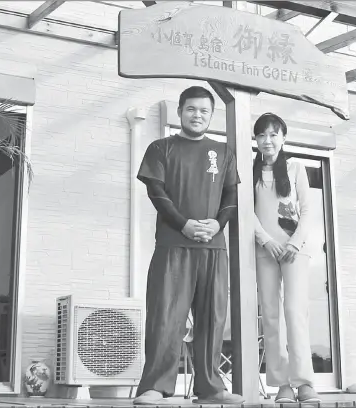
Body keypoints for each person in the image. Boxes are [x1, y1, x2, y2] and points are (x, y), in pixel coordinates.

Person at [133, 86, 244, 405]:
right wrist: (184, 224)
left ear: (212, 115)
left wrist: (217, 225)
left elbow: (230, 196)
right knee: (166, 317)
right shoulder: (160, 148)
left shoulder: (224, 152)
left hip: (213, 247)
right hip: (173, 245)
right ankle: (155, 386)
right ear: (180, 111)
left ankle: (210, 389)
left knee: (212, 319)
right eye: (191, 109)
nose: (198, 115)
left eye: (204, 111)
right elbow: (157, 192)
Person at [252, 113, 321, 403]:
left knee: (295, 312)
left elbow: (307, 210)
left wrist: (294, 243)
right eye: (261, 135)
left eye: (273, 135)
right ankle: (281, 385)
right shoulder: (249, 169)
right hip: (264, 250)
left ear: (283, 138)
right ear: (255, 140)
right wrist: (265, 240)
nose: (267, 141)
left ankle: (304, 382)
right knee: (271, 315)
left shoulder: (295, 167)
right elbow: (246, 210)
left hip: (295, 251)